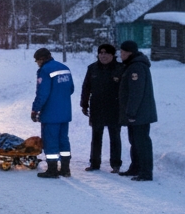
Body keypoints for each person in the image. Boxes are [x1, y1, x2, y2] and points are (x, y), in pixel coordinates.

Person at [117, 39, 158, 181]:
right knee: (134, 141)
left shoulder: (136, 67)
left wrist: (131, 111)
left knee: (141, 142)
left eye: (123, 52)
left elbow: (136, 92)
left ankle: (145, 172)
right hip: (137, 113)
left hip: (140, 113)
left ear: (129, 53)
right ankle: (135, 167)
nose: (121, 55)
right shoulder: (132, 65)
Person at [31, 47, 74, 178]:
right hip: (65, 112)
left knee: (50, 141)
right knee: (63, 140)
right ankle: (65, 169)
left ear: (41, 59)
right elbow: (71, 89)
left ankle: (52, 170)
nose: (37, 64)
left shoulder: (45, 70)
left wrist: (35, 109)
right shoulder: (64, 68)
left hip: (50, 113)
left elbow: (42, 94)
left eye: (37, 61)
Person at [80, 43, 123, 172]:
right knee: (96, 137)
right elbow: (86, 87)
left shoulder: (120, 68)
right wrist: (84, 103)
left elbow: (126, 90)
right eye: (101, 53)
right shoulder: (92, 68)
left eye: (106, 53)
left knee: (115, 137)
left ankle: (115, 164)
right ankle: (94, 163)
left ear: (112, 55)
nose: (103, 56)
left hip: (114, 107)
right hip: (97, 107)